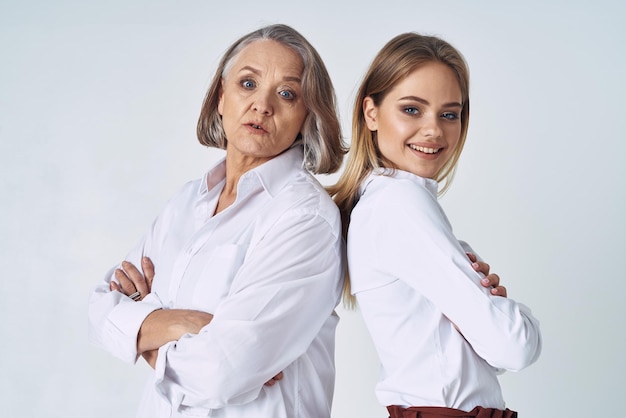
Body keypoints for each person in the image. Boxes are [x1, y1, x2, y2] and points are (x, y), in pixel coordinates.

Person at [88, 24, 348, 418]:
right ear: (221, 96)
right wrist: (178, 323)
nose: (263, 105)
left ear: (306, 116)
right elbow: (99, 310)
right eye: (248, 84)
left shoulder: (304, 218)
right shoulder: (185, 203)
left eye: (287, 93)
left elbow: (220, 372)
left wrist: (138, 331)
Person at [329, 33, 542, 417]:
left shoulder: (385, 203)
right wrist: (515, 314)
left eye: (449, 114)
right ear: (371, 112)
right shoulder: (399, 202)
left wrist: (483, 314)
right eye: (412, 109)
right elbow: (515, 347)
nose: (434, 130)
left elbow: (486, 359)